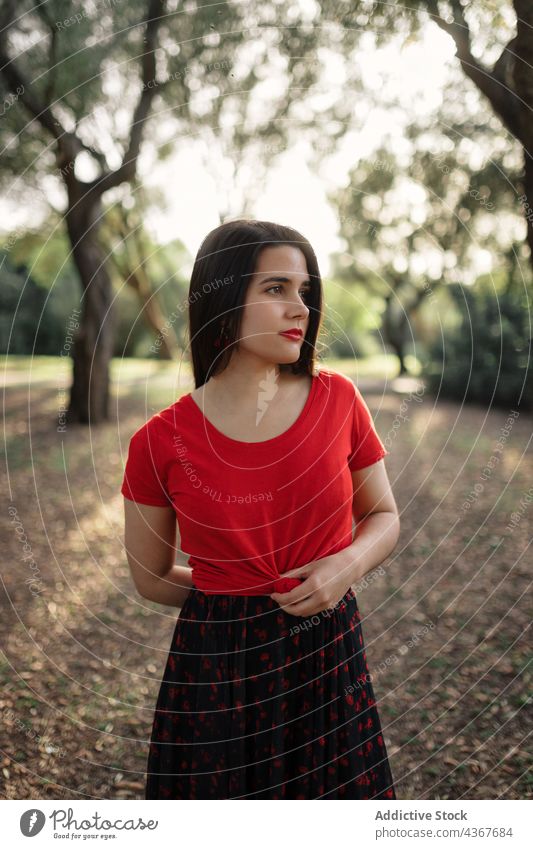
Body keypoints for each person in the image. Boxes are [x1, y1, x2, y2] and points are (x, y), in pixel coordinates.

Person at [121, 218, 400, 799]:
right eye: (275, 289)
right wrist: (232, 599)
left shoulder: (339, 399)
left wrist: (341, 569)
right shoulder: (157, 440)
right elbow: (150, 577)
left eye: (304, 291)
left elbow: (384, 516)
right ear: (224, 297)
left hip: (326, 650)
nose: (299, 307)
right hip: (214, 667)